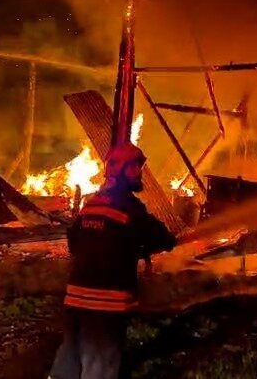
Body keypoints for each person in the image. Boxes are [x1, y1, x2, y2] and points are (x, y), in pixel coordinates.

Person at [49, 143, 176, 379]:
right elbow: (162, 238)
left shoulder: (92, 204)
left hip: (75, 299)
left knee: (69, 362)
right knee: (100, 367)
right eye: (137, 168)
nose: (139, 173)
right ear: (126, 170)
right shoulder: (130, 208)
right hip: (106, 304)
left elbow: (74, 241)